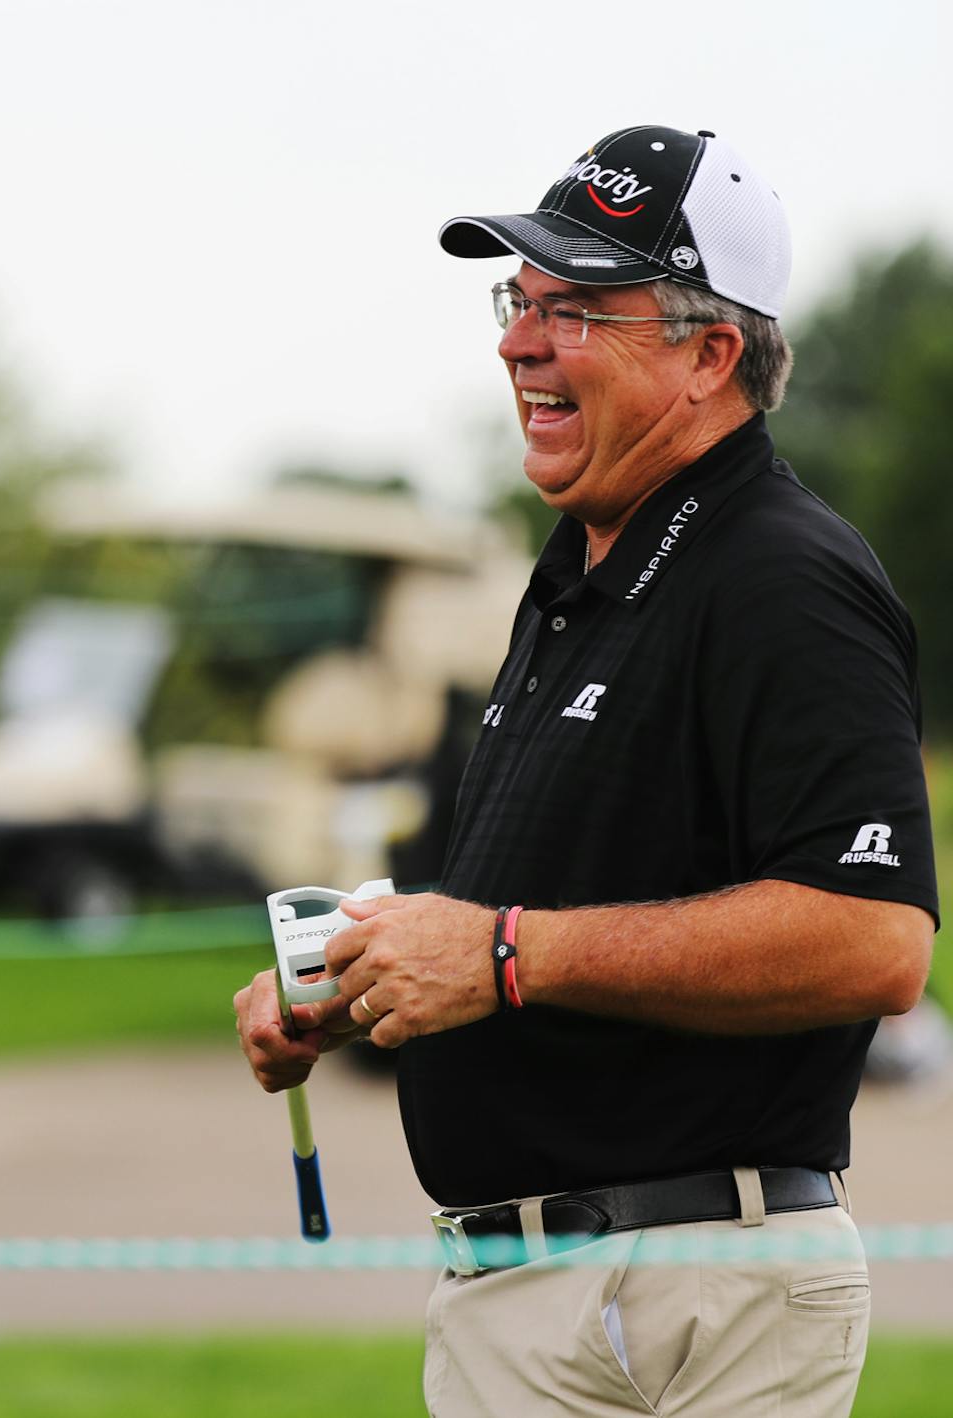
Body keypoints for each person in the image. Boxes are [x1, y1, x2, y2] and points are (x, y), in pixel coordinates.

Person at [235, 125, 935, 1416]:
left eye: (577, 311)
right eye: (522, 302)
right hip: (535, 1297)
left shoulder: (786, 577)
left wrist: (503, 953)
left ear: (709, 352)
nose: (518, 343)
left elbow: (875, 941)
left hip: (689, 1302)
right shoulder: (578, 579)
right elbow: (531, 900)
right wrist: (367, 974)